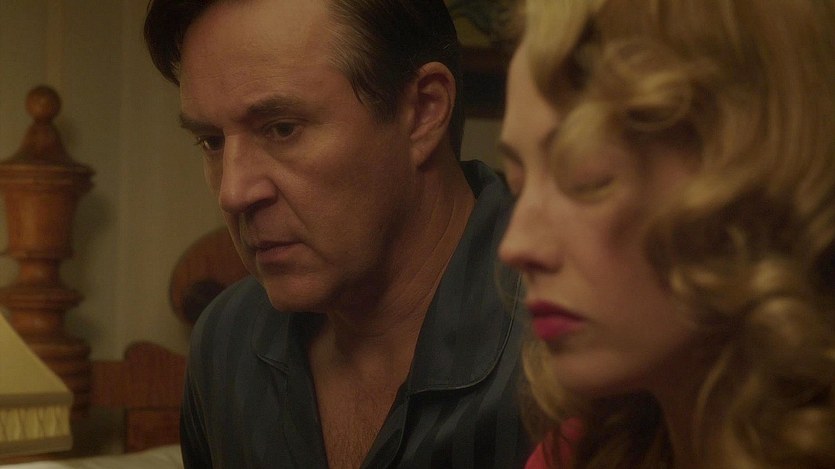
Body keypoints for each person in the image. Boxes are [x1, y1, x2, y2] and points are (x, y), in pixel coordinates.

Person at [144, 0, 531, 468]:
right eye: (212, 141)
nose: (233, 192)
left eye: (282, 129)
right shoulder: (226, 345)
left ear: (423, 111)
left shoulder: (571, 330)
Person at [497, 0, 835, 468]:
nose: (515, 246)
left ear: (753, 170)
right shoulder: (577, 453)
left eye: (586, 179)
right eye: (517, 184)